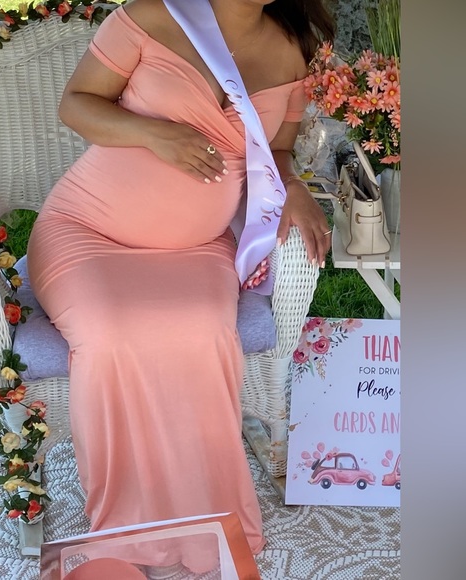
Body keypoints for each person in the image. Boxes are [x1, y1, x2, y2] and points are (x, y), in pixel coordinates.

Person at [27, 0, 334, 572]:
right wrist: (155, 134)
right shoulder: (151, 16)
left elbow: (277, 150)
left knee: (203, 333)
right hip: (87, 233)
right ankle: (125, 530)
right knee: (111, 334)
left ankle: (208, 522)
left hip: (196, 250)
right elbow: (76, 104)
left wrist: (293, 185)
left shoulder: (292, 48)